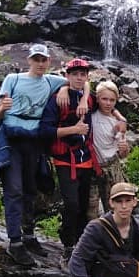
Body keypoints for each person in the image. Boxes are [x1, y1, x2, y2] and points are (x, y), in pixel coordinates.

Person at [0, 43, 87, 267]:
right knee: (14, 189)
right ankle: (15, 243)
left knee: (31, 189)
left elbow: (81, 81)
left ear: (49, 61)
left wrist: (73, 94)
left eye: (44, 59)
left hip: (35, 142)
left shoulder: (51, 81)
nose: (40, 63)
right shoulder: (12, 79)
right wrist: (2, 109)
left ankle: (29, 235)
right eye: (37, 59)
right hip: (11, 139)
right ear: (29, 60)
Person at [40, 58, 100, 264]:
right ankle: (68, 245)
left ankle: (82, 246)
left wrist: (121, 125)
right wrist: (74, 130)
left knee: (84, 206)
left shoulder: (89, 98)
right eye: (74, 74)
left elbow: (109, 105)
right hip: (66, 159)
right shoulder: (57, 99)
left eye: (82, 74)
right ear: (67, 76)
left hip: (86, 160)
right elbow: (45, 131)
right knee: (71, 203)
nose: (79, 77)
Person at [88, 80, 129, 218]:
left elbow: (123, 154)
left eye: (112, 100)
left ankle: (117, 237)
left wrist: (124, 148)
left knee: (114, 209)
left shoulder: (117, 122)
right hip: (92, 167)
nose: (108, 103)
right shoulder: (90, 116)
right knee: (91, 209)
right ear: (97, 99)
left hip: (112, 167)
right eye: (104, 99)